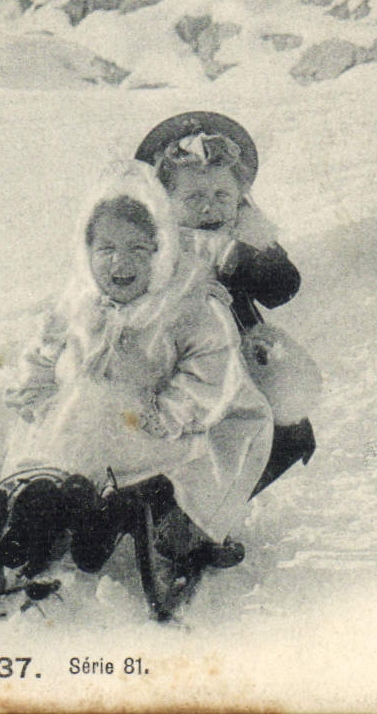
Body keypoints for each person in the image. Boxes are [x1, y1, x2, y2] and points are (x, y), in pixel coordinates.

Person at [0, 163, 277, 652]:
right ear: (87, 254)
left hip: (157, 434)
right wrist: (38, 394)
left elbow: (209, 371)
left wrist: (171, 410)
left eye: (136, 249)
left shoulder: (189, 306)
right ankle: (31, 527)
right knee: (68, 416)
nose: (119, 263)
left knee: (95, 410)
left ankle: (86, 516)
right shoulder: (77, 304)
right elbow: (40, 355)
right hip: (73, 433)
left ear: (162, 250)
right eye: (105, 250)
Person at [136, 111, 318, 497]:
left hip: (236, 365)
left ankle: (201, 521)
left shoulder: (240, 239)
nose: (209, 209)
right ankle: (175, 511)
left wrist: (254, 247)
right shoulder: (158, 246)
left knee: (292, 433)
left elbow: (282, 288)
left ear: (241, 200)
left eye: (222, 196)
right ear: (165, 203)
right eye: (194, 198)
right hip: (180, 370)